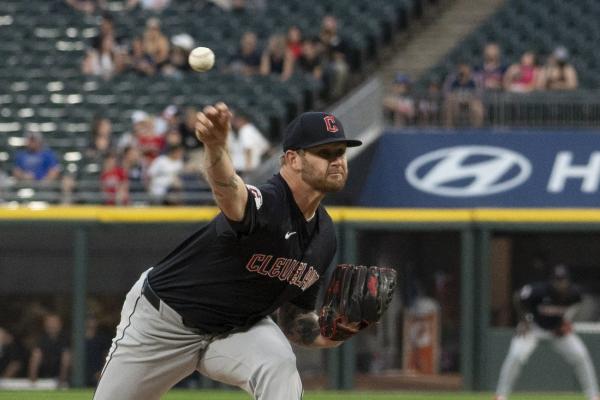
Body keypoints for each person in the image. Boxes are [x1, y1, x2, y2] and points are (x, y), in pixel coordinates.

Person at [93, 103, 362, 400]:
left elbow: (294, 320)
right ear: (293, 159)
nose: (337, 160)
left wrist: (335, 331)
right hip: (164, 324)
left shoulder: (325, 237)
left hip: (235, 331)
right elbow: (229, 190)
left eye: (340, 152)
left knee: (278, 365)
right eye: (325, 152)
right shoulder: (269, 202)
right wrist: (216, 147)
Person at [494, 265, 600, 400]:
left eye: (563, 280)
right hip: (533, 328)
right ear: (551, 281)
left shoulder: (574, 294)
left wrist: (567, 321)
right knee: (516, 355)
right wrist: (524, 320)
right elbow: (518, 297)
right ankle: (501, 395)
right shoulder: (539, 291)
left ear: (568, 281)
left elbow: (578, 306)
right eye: (557, 280)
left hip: (556, 331)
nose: (560, 284)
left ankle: (593, 396)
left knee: (580, 355)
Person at [28, 313, 71, 387]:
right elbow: (35, 358)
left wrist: (62, 380)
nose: (52, 325)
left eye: (54, 322)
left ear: (60, 324)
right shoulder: (40, 339)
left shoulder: (66, 339)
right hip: (43, 376)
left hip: (63, 378)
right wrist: (33, 382)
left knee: (66, 356)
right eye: (49, 322)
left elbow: (66, 360)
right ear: (45, 325)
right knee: (36, 354)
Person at [228, 111, 271, 176]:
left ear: (241, 120)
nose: (234, 123)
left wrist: (248, 166)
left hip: (247, 168)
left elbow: (248, 148)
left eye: (236, 121)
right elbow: (266, 147)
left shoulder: (244, 130)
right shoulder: (251, 128)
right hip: (257, 166)